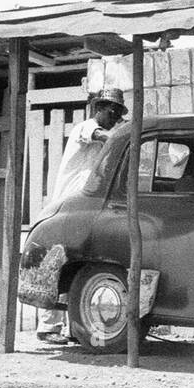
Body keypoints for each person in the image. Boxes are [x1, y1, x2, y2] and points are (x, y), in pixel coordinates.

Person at [37, 88, 127, 343]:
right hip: (66, 207)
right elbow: (103, 136)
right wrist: (125, 132)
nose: (114, 117)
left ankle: (71, 328)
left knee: (76, 266)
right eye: (112, 112)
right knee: (57, 263)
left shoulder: (105, 138)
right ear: (99, 109)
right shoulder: (86, 128)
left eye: (118, 114)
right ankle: (47, 326)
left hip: (83, 209)